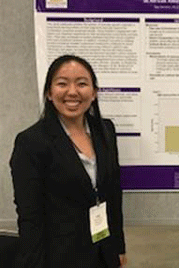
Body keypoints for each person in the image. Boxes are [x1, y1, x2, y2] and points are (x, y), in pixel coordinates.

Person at [10, 55, 127, 267]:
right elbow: (30, 217)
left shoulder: (105, 131)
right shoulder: (31, 142)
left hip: (103, 251)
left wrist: (118, 246)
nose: (72, 92)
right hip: (58, 256)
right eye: (62, 83)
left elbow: (113, 193)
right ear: (49, 93)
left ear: (94, 93)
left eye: (82, 83)